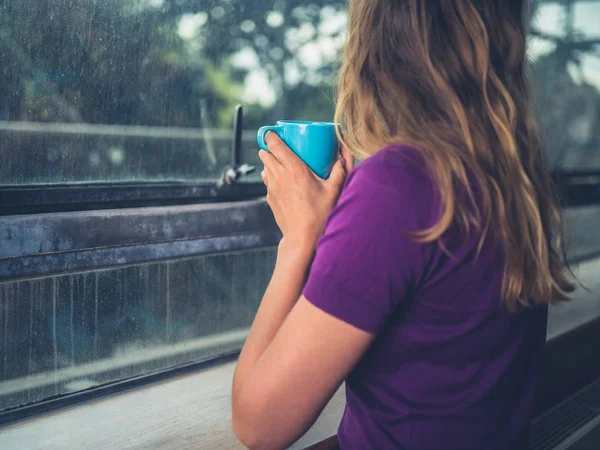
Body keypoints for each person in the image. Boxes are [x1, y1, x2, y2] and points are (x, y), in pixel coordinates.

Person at [231, 1, 575, 449]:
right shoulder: (509, 177)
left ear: (378, 34)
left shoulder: (397, 185)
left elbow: (259, 426)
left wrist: (299, 239)